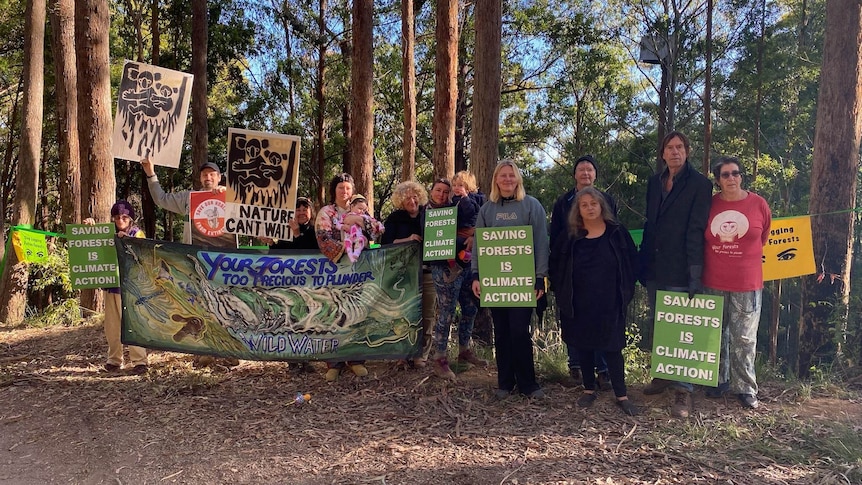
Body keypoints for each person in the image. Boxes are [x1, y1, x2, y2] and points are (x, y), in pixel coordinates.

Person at [639, 131, 713, 418]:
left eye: (679, 147)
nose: (674, 152)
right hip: (656, 266)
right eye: (669, 147)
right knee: (660, 322)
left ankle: (684, 390)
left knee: (683, 329)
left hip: (683, 268)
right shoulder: (654, 183)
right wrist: (642, 264)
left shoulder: (700, 184)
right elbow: (650, 224)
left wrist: (696, 273)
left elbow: (697, 230)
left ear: (687, 151)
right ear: (662, 154)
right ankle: (664, 374)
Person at [141, 156, 239, 368]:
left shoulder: (230, 196)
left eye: (212, 174)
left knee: (226, 305)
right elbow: (161, 199)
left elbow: (256, 207)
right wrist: (151, 173)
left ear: (219, 178)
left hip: (225, 261)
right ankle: (205, 351)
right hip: (196, 260)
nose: (208, 178)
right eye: (204, 175)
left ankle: (229, 349)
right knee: (201, 305)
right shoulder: (189, 198)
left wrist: (228, 193)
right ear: (200, 178)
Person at [550, 188, 640, 415]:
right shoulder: (569, 237)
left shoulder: (617, 233)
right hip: (579, 302)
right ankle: (589, 390)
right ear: (577, 210)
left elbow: (632, 263)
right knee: (584, 346)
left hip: (611, 301)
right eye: (584, 204)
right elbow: (556, 267)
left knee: (612, 348)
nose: (590, 208)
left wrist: (626, 293)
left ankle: (622, 395)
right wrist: (562, 294)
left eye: (594, 203)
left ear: (602, 206)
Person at [471, 159, 550, 399]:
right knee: (502, 332)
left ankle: (529, 384)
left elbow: (541, 243)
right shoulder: (486, 210)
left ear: (518, 179)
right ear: (496, 179)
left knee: (519, 330)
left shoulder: (531, 205)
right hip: (496, 284)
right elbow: (478, 246)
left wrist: (540, 278)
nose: (507, 179)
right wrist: (476, 275)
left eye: (511, 175)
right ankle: (505, 383)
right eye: (503, 175)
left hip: (523, 284)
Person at [702, 157, 771, 409]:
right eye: (725, 175)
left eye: (735, 174)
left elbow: (762, 237)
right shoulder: (709, 205)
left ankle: (746, 388)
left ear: (741, 177)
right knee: (715, 334)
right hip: (713, 280)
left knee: (744, 338)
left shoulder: (758, 204)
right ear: (717, 180)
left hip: (747, 283)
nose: (731, 178)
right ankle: (718, 381)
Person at [549, 155, 617, 387]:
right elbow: (555, 237)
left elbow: (613, 232)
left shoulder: (606, 199)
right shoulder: (563, 201)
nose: (585, 173)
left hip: (600, 272)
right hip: (571, 270)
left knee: (600, 319)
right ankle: (575, 368)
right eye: (581, 169)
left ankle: (603, 371)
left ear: (595, 175)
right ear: (575, 174)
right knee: (572, 316)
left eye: (590, 169)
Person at [315, 173, 384, 381]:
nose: (344, 192)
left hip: (358, 269)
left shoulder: (360, 209)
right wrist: (344, 251)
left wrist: (359, 220)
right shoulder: (327, 212)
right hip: (334, 269)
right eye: (340, 188)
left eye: (347, 188)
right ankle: (334, 362)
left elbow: (374, 230)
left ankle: (356, 359)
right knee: (334, 311)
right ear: (334, 190)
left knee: (357, 310)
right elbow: (322, 236)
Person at [426, 178, 485, 380]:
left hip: (465, 265)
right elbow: (439, 237)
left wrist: (474, 235)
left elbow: (473, 221)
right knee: (447, 311)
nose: (441, 195)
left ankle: (464, 350)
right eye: (438, 190)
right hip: (444, 267)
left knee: (470, 308)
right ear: (431, 191)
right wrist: (465, 238)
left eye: (446, 191)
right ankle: (440, 357)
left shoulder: (455, 207)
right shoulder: (427, 211)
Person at [85, 201, 149, 374]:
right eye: (117, 217)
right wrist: (91, 228)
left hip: (131, 288)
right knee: (112, 326)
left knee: (133, 324)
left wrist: (126, 240)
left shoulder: (137, 233)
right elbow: (90, 243)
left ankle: (140, 361)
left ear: (131, 219)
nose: (120, 220)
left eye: (124, 217)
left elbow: (142, 253)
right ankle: (114, 360)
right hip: (111, 285)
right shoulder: (108, 233)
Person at [381, 181, 435, 368]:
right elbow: (385, 243)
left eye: (415, 196)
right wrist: (409, 239)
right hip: (403, 276)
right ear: (401, 201)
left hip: (427, 273)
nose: (412, 200)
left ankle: (421, 355)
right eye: (407, 198)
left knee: (427, 315)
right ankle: (402, 354)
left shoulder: (429, 215)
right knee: (403, 314)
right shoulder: (395, 218)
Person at [336, 194, 383, 263]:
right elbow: (338, 224)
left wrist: (381, 227)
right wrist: (342, 226)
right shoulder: (345, 216)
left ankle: (357, 253)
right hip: (349, 236)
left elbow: (375, 222)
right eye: (360, 209)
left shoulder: (365, 216)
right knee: (347, 243)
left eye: (364, 210)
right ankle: (351, 255)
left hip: (360, 236)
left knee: (362, 239)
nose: (362, 211)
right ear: (352, 206)